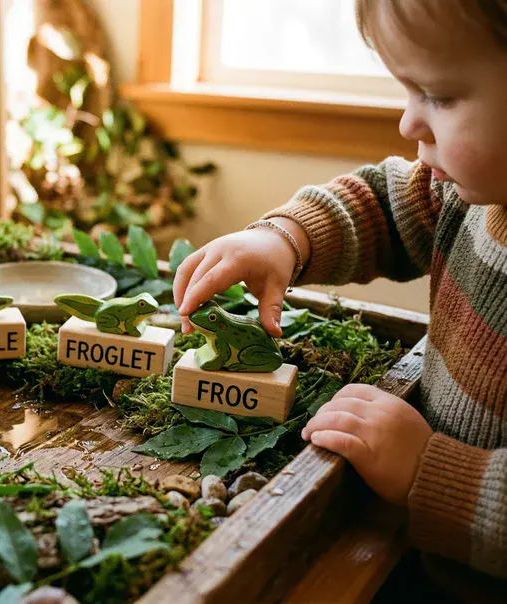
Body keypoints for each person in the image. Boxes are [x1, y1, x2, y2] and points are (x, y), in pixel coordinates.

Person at [173, 0, 506, 597]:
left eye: (441, 96)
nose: (409, 124)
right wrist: (285, 237)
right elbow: (381, 201)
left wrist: (430, 471)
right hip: (412, 547)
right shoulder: (471, 194)